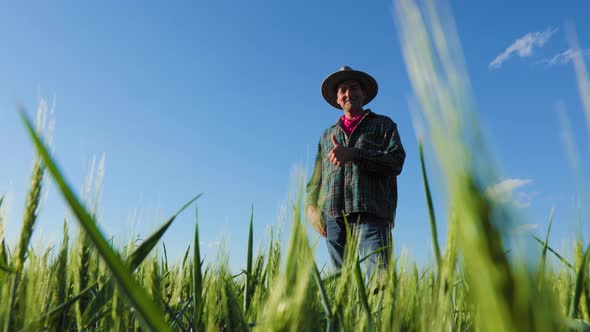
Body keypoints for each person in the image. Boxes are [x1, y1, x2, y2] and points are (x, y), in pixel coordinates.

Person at [306, 66, 406, 273]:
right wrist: (311, 209)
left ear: (364, 94)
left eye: (354, 88)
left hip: (372, 214)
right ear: (337, 99)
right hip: (333, 219)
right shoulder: (326, 136)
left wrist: (355, 154)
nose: (348, 93)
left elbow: (396, 161)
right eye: (342, 90)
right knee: (342, 287)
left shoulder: (383, 125)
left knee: (380, 283)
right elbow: (314, 181)